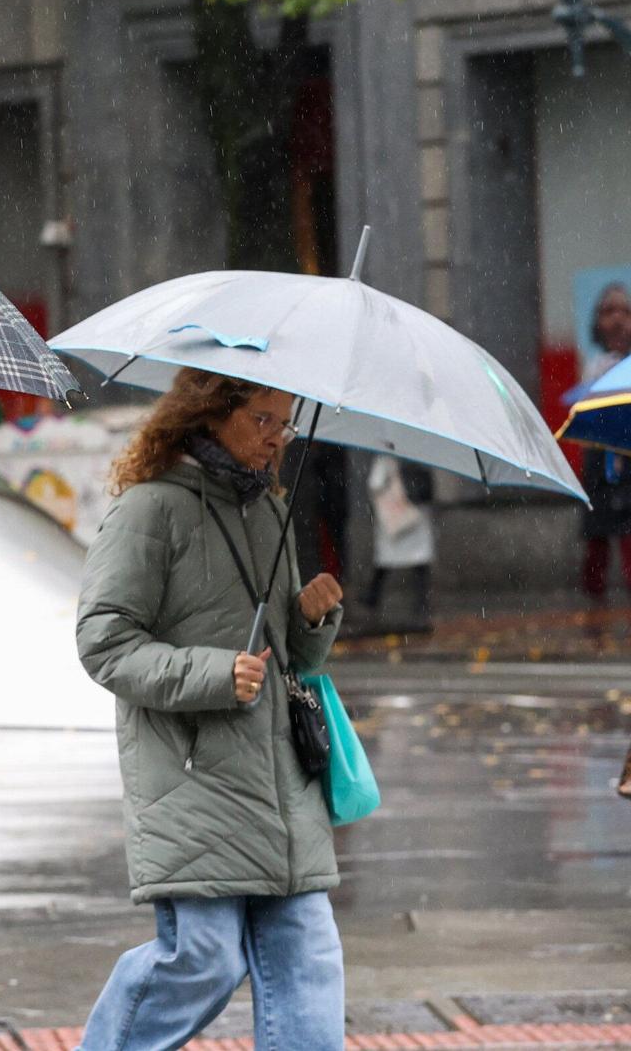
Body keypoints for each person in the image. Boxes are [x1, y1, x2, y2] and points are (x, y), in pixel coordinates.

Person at [74, 369, 346, 1051]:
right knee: (202, 961)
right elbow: (103, 642)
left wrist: (311, 620)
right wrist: (213, 671)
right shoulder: (149, 510)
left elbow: (286, 661)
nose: (276, 438)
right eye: (261, 419)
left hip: (282, 783)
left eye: (283, 422)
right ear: (209, 414)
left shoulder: (269, 511)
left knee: (309, 968)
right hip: (194, 782)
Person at [579, 283, 631, 601]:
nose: (617, 319)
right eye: (609, 311)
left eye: (624, 311)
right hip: (600, 459)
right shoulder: (593, 365)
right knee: (596, 537)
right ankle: (594, 603)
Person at [363, 455, 434, 634]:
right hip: (415, 516)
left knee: (386, 563)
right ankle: (420, 605)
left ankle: (373, 597)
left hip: (399, 517)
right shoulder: (419, 454)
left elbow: (374, 484)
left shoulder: (385, 458)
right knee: (418, 566)